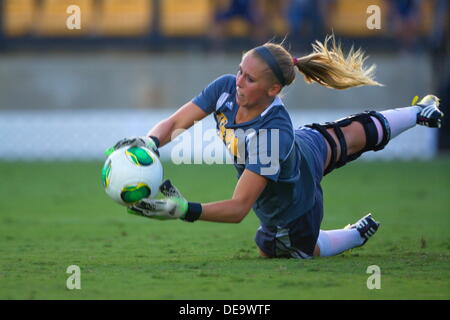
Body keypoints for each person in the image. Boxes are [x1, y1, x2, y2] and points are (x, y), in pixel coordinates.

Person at [109, 35, 444, 259]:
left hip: (292, 206)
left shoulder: (273, 134)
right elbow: (177, 122)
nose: (239, 81)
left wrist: (183, 210)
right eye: (240, 71)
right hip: (305, 148)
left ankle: (351, 235)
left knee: (274, 248)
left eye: (249, 79)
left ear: (272, 90)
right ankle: (420, 111)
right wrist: (150, 142)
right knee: (352, 134)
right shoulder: (226, 88)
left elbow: (239, 207)